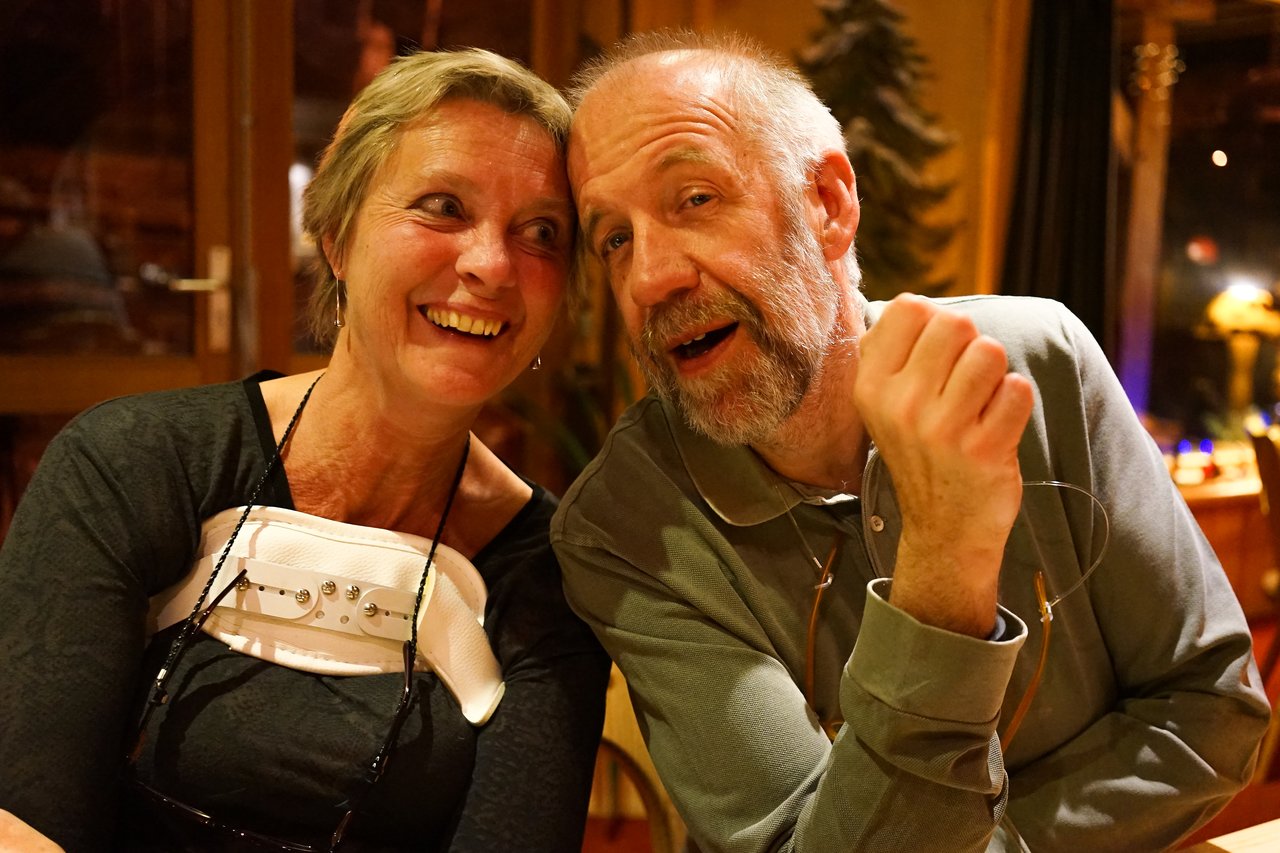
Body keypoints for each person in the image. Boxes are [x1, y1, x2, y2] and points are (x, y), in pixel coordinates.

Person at [550, 30, 1272, 853]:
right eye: (613, 238)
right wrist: (942, 567)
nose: (648, 278)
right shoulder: (620, 525)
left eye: (695, 200)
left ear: (828, 202)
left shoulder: (1037, 364)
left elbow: (1214, 706)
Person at [0, 48, 610, 852]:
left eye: (541, 231)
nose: (491, 265)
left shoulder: (549, 575)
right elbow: (28, 824)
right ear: (335, 234)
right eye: (442, 205)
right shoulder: (131, 463)